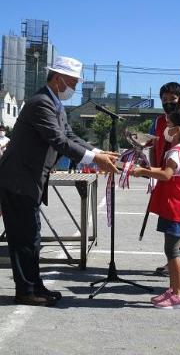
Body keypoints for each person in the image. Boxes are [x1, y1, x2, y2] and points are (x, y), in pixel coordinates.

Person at [0, 56, 119, 307]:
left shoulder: (53, 103)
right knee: (25, 239)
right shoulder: (41, 103)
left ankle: (34, 286)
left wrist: (97, 152)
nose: (74, 88)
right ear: (58, 79)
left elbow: (70, 135)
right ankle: (26, 291)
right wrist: (94, 159)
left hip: (28, 180)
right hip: (18, 180)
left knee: (31, 237)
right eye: (72, 83)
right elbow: (58, 141)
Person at [132, 112, 180, 309]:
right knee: (172, 250)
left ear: (177, 129)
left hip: (174, 207)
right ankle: (174, 289)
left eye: (168, 124)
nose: (165, 127)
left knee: (172, 251)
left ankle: (178, 295)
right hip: (176, 206)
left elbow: (167, 175)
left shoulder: (176, 151)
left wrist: (143, 171)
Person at [149, 82, 180, 277]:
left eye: (173, 99)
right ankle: (176, 259)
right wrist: (152, 172)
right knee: (171, 215)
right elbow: (152, 146)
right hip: (164, 173)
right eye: (165, 100)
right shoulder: (159, 121)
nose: (168, 103)